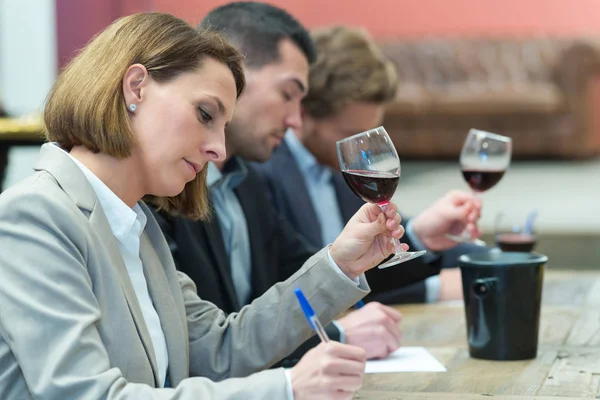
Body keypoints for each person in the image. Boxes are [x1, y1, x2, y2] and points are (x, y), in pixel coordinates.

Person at [0, 13, 407, 399]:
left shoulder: (137, 226)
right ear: (135, 87)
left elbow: (219, 348)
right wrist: (285, 389)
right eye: (205, 114)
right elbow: (83, 394)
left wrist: (341, 263)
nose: (219, 149)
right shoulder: (34, 216)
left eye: (223, 126)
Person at [153, 2, 412, 364]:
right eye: (288, 94)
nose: (294, 120)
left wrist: (345, 261)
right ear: (233, 75)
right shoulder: (158, 190)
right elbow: (203, 350)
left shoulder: (247, 183)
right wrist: (336, 334)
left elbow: (295, 278)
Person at [255, 26, 488, 304]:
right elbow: (307, 286)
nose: (363, 153)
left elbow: (372, 257)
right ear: (303, 113)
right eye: (350, 134)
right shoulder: (261, 174)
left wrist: (482, 256)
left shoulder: (337, 165)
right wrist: (433, 288)